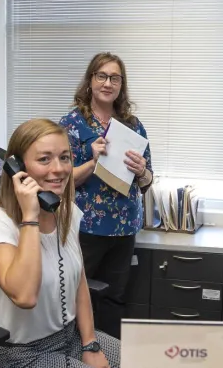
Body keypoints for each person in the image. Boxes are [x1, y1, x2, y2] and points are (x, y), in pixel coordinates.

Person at [0, 119, 120, 368]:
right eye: (44, 159)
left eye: (64, 157)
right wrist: (30, 217)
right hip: (23, 358)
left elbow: (78, 279)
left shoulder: (67, 212)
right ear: (17, 168)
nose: (59, 168)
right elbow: (25, 296)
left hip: (72, 338)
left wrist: (90, 344)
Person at [60, 52, 153, 339]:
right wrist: (92, 161)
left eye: (115, 77)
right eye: (101, 76)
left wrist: (141, 171)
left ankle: (110, 356)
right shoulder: (71, 125)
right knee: (79, 296)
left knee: (115, 297)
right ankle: (80, 353)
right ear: (90, 80)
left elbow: (149, 181)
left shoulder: (133, 125)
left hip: (124, 228)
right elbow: (61, 180)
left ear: (121, 85)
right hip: (86, 228)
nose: (108, 83)